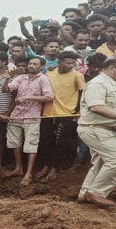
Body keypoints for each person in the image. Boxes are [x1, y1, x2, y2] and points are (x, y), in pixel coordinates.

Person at [77, 56, 116, 206]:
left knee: (100, 163)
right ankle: (96, 193)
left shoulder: (113, 84)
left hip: (104, 129)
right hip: (95, 129)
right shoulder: (98, 83)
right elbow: (96, 107)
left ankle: (85, 194)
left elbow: (113, 113)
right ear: (112, 68)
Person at [1, 56, 54, 186]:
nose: (31, 65)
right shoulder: (20, 78)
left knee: (31, 145)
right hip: (17, 115)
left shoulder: (43, 79)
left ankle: (28, 173)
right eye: (30, 63)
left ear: (42, 67)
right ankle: (18, 169)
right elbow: (6, 90)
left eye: (35, 64)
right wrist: (7, 78)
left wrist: (28, 97)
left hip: (32, 116)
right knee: (15, 143)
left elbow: (49, 97)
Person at [37, 51, 86, 181]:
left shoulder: (77, 75)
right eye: (68, 63)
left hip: (66, 113)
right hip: (47, 112)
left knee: (61, 142)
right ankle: (46, 165)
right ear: (59, 62)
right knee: (45, 141)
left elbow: (83, 94)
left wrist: (78, 111)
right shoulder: (49, 73)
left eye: (72, 63)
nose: (71, 65)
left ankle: (55, 167)